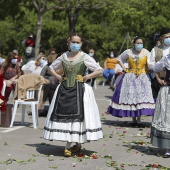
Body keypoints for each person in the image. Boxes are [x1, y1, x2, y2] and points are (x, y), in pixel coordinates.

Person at [43, 33, 103, 157]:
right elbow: (50, 68)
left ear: (81, 44)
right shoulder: (63, 56)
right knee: (65, 115)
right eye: (73, 42)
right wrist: (59, 77)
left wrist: (86, 77)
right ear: (69, 43)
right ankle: (73, 144)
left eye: (77, 42)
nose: (75, 44)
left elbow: (99, 70)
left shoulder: (84, 56)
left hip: (79, 89)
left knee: (78, 116)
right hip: (64, 89)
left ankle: (69, 145)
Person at [107, 36, 155, 126]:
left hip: (143, 77)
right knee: (132, 97)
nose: (139, 45)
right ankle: (133, 119)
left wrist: (151, 68)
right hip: (130, 76)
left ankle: (139, 119)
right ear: (134, 43)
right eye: (138, 43)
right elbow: (119, 59)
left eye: (141, 43)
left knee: (140, 97)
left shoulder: (146, 52)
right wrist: (124, 68)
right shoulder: (128, 52)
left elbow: (150, 63)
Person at [151, 54, 170, 158]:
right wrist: (159, 80)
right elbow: (155, 68)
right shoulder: (166, 58)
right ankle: (167, 148)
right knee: (166, 118)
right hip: (167, 90)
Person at [149, 28, 170, 98]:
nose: (168, 39)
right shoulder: (155, 49)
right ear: (161, 38)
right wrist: (159, 79)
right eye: (166, 37)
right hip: (160, 80)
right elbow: (151, 64)